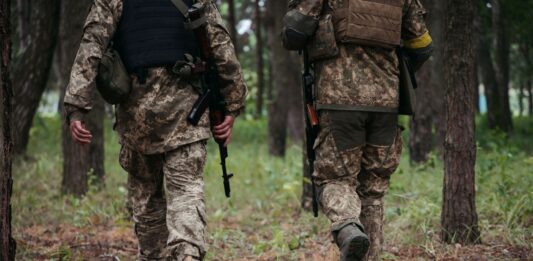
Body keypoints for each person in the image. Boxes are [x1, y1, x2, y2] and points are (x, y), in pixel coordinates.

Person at [63, 0, 247, 260]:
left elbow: (91, 47)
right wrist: (233, 104)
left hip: (137, 116)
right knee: (185, 193)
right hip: (186, 113)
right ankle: (187, 255)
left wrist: (77, 107)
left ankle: (154, 256)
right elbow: (221, 48)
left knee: (147, 200)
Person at [282, 0, 433, 260]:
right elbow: (421, 45)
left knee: (335, 179)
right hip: (387, 102)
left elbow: (294, 33)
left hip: (339, 101)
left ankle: (348, 226)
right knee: (373, 190)